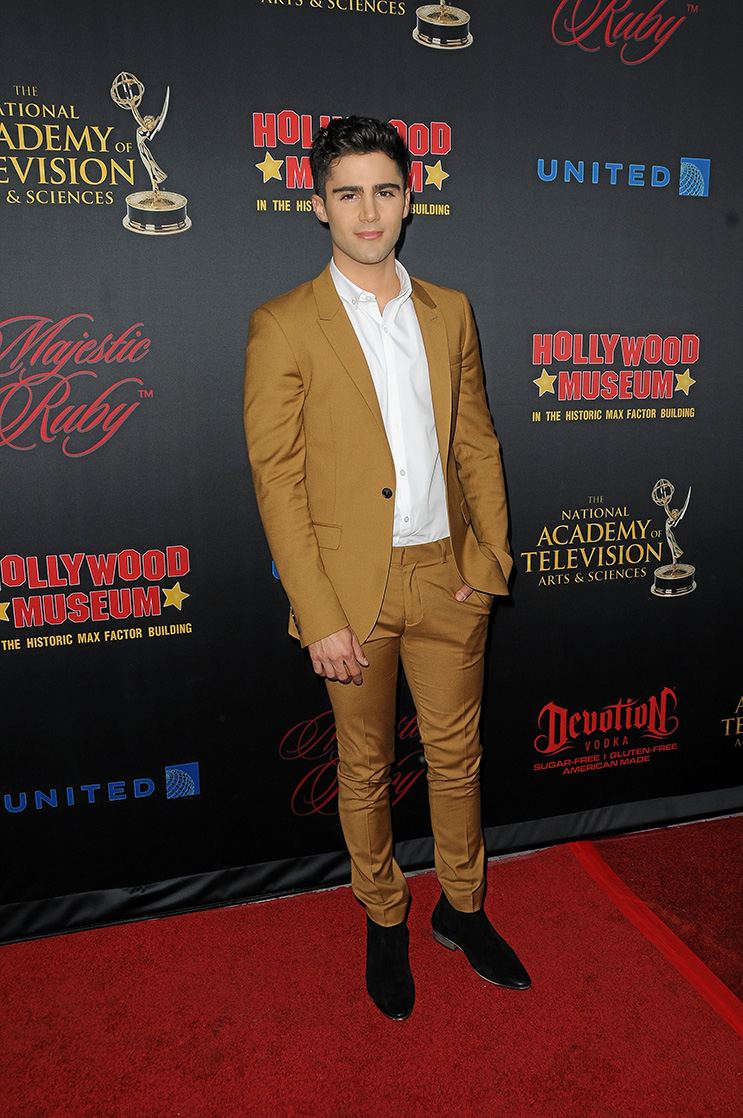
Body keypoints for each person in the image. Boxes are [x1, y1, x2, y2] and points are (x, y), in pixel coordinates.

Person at [244, 115, 529, 1020]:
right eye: (347, 193)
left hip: (448, 577)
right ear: (317, 204)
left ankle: (462, 909)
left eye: (384, 190)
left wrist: (488, 561)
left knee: (457, 760)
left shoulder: (450, 311)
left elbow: (477, 442)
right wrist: (318, 612)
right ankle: (383, 918)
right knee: (364, 769)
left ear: (410, 199)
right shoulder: (283, 324)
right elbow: (278, 482)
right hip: (349, 594)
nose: (367, 212)